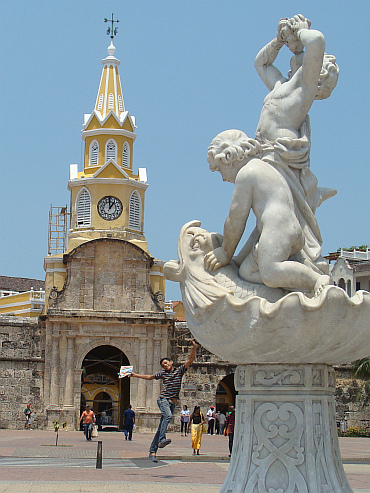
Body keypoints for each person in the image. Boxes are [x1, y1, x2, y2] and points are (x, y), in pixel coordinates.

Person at [205, 15, 339, 296]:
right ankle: (288, 291)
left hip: (280, 161)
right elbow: (261, 63)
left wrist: (300, 32)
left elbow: (316, 42)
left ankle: (315, 282)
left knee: (269, 265)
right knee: (250, 270)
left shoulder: (301, 95)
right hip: (269, 163)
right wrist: (280, 40)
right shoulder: (281, 87)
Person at [130, 338, 199, 462]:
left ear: (171, 362)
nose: (165, 366)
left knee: (162, 424)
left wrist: (194, 348)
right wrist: (135, 375)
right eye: (163, 365)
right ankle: (162, 439)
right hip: (164, 399)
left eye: (166, 363)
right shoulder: (162, 374)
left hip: (172, 402)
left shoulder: (179, 371)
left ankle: (152, 452)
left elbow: (190, 360)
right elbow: (150, 377)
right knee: (167, 416)